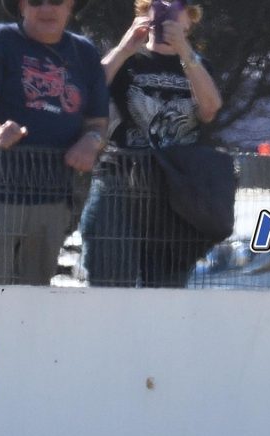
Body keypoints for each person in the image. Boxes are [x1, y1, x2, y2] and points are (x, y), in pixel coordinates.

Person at [0, 0, 108, 286]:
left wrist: (92, 141)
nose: (46, 8)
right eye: (36, 0)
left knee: (35, 300)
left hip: (51, 198)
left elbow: (98, 123)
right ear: (22, 6)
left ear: (70, 6)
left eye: (56, 1)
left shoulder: (85, 53)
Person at [79, 0, 223, 288]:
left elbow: (209, 109)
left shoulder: (199, 65)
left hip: (175, 193)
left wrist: (185, 51)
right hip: (120, 183)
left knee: (166, 292)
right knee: (109, 284)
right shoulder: (128, 59)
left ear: (191, 19)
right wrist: (124, 48)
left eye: (177, 7)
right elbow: (84, 93)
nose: (167, 14)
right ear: (144, 13)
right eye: (159, 6)